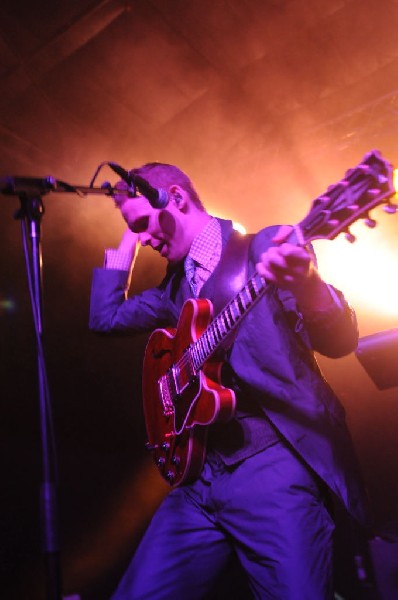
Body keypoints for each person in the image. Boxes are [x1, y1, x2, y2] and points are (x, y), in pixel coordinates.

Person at [89, 162, 368, 599]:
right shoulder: (172, 292)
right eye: (135, 230)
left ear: (177, 199)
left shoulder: (262, 248)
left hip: (271, 466)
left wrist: (310, 284)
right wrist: (129, 228)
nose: (144, 238)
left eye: (143, 224)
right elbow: (103, 319)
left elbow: (341, 341)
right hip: (198, 480)